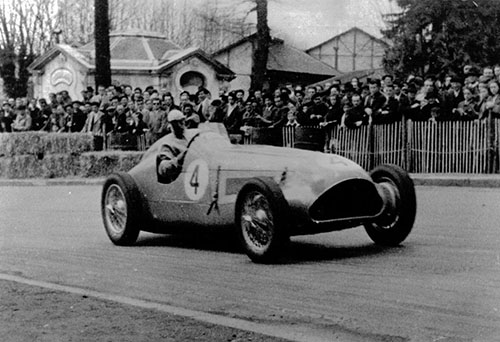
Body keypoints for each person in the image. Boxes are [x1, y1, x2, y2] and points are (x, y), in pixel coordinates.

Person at [156, 109, 198, 183]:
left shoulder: (191, 135)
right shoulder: (167, 143)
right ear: (171, 125)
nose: (182, 124)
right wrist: (180, 158)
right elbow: (163, 168)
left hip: (196, 172)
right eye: (178, 122)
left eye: (183, 121)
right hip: (181, 179)